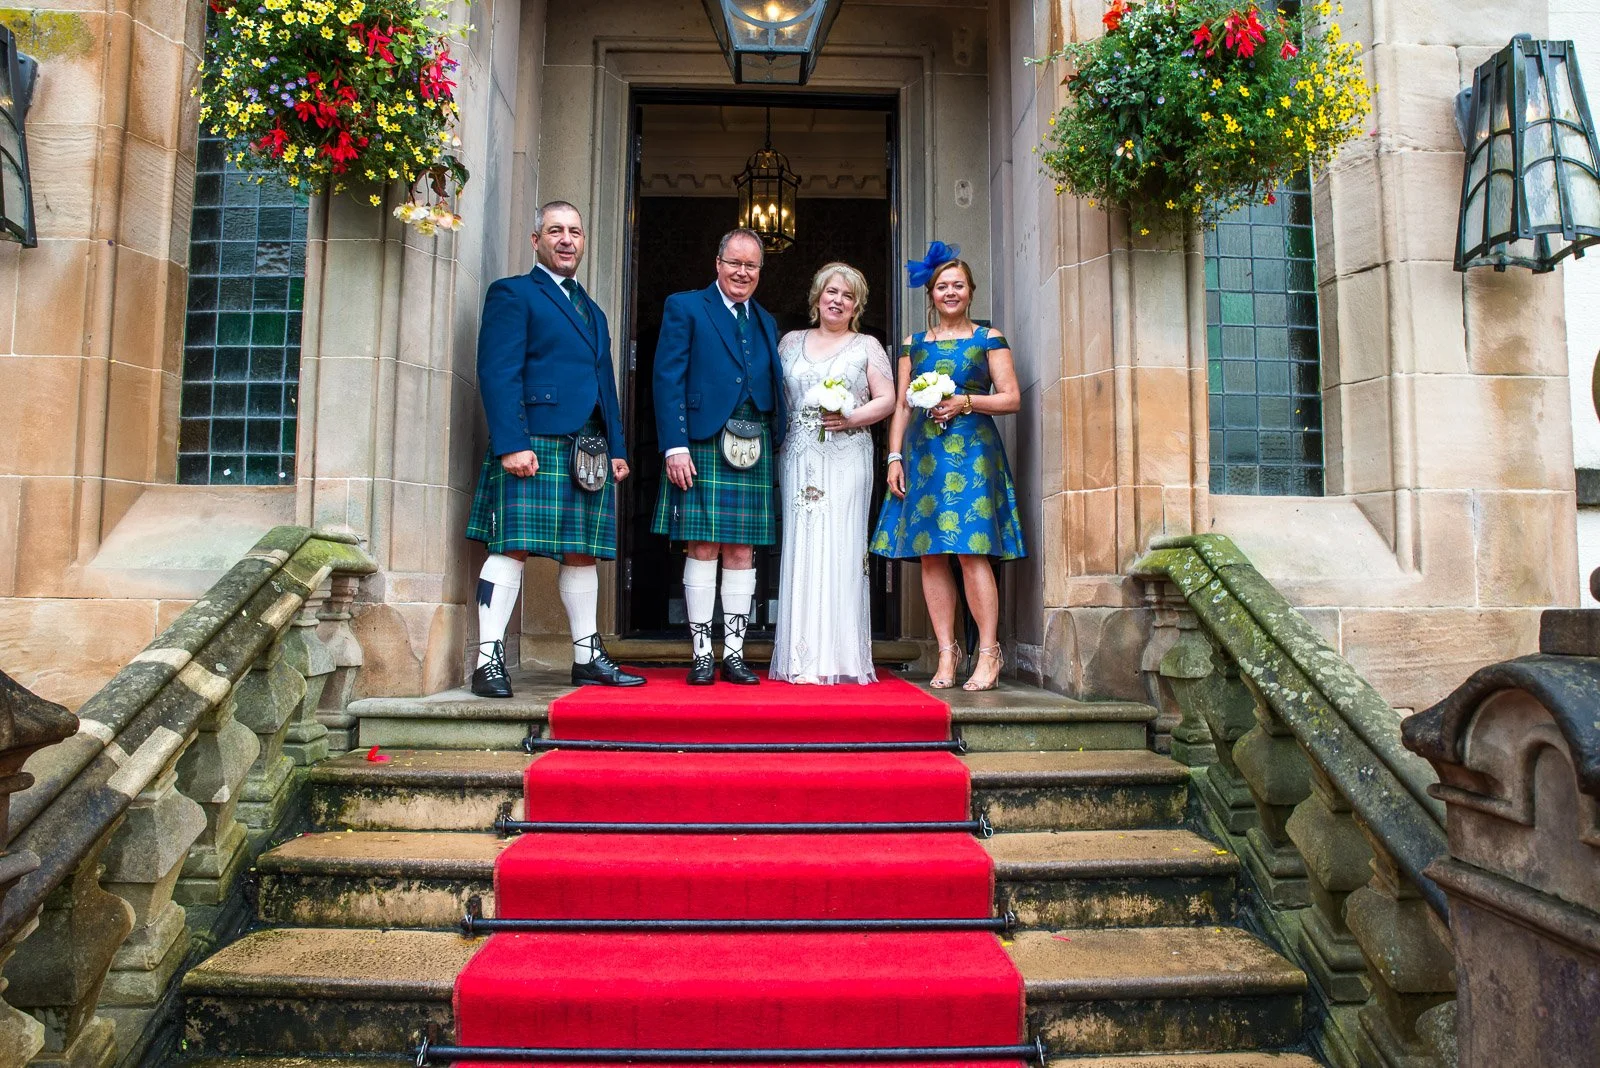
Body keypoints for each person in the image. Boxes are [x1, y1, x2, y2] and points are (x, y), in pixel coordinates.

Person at [465, 200, 646, 696]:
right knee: (512, 547)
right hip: (535, 442)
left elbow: (605, 383)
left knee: (581, 553)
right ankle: (488, 662)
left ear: (584, 241)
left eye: (575, 232)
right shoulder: (513, 294)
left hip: (586, 448)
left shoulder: (594, 310)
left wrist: (616, 446)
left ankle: (587, 657)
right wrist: (511, 443)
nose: (567, 240)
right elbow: (498, 371)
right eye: (555, 231)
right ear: (536, 240)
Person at [870, 244, 1026, 692]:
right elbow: (900, 405)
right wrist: (894, 457)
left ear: (970, 291)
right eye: (942, 286)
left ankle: (989, 652)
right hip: (923, 455)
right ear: (931, 295)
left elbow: (1012, 397)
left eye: (958, 285)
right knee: (931, 553)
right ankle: (947, 652)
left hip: (973, 453)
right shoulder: (913, 345)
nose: (950, 292)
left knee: (971, 549)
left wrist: (966, 400)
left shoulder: (988, 338)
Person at [651, 229, 787, 686]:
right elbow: (667, 378)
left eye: (751, 266)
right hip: (703, 441)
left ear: (760, 272)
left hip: (753, 445)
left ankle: (734, 653)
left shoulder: (767, 321)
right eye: (734, 263)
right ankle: (702, 652)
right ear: (717, 263)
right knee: (703, 545)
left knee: (743, 551)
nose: (742, 272)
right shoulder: (686, 306)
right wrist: (676, 445)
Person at [770, 263, 896, 685]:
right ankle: (800, 656)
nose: (837, 300)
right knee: (803, 544)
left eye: (847, 295)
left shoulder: (866, 346)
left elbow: (889, 399)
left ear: (856, 305)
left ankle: (842, 657)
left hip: (848, 454)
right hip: (799, 453)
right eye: (831, 292)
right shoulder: (789, 342)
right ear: (817, 296)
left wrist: (852, 416)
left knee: (841, 544)